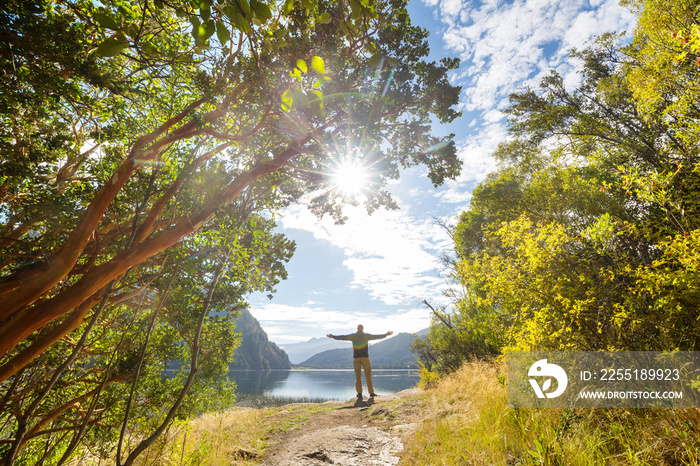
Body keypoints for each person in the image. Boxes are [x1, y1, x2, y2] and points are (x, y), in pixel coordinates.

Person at [327, 325, 393, 401]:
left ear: (357, 329)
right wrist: (386, 334)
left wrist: (333, 336)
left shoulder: (353, 336)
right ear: (363, 329)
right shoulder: (366, 336)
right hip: (365, 357)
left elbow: (343, 337)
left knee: (358, 376)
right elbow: (376, 336)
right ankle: (371, 393)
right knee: (368, 375)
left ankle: (359, 394)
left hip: (356, 358)